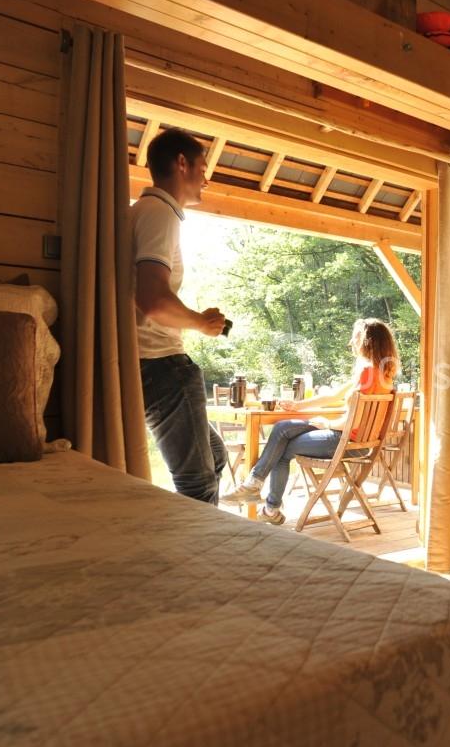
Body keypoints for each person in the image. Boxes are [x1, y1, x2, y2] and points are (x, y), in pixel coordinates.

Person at [222, 318, 399, 524]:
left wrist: (327, 423)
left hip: (345, 440)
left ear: (368, 341)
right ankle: (261, 496)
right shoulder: (381, 374)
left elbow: (354, 421)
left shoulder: (367, 371)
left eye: (356, 336)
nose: (351, 341)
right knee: (282, 428)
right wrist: (299, 406)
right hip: (356, 442)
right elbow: (333, 396)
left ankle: (264, 499)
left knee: (281, 447)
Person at [132, 128, 228, 504]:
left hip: (147, 364)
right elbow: (152, 300)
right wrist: (201, 323)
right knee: (197, 486)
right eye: (203, 167)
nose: (206, 177)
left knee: (216, 457)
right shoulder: (161, 213)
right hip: (161, 365)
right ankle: (198, 558)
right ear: (182, 163)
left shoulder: (140, 212)